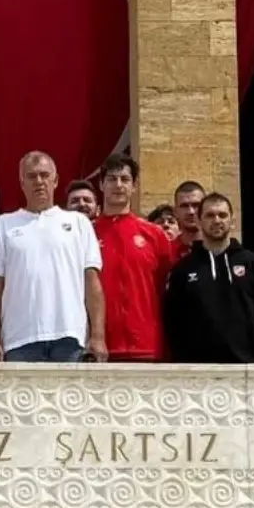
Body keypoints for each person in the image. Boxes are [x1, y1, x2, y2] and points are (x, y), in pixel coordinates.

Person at [0, 150, 105, 363]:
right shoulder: (3, 225)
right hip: (19, 340)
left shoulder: (78, 223)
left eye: (44, 175)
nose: (39, 181)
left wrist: (98, 336)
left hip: (70, 338)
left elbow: (92, 284)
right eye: (31, 176)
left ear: (55, 180)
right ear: (22, 182)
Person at [163, 192, 254, 363]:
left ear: (232, 220)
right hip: (198, 370)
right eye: (210, 215)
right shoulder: (183, 270)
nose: (217, 220)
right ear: (199, 221)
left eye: (222, 215)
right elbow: (172, 321)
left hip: (245, 366)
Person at [93, 153, 172, 362]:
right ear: (101, 185)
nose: (118, 185)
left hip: (146, 346)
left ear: (134, 186)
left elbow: (164, 288)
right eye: (111, 179)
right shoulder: (87, 233)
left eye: (125, 179)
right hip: (100, 347)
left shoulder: (154, 234)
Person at [172, 180, 206, 259]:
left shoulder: (217, 250)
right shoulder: (166, 253)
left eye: (196, 205)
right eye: (184, 206)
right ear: (175, 211)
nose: (191, 211)